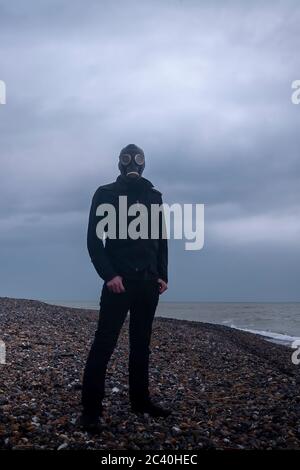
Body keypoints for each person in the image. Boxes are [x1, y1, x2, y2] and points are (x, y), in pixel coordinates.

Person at [79, 144, 171, 432]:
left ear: (144, 164)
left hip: (147, 283)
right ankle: (91, 410)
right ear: (119, 163)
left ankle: (140, 400)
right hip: (118, 283)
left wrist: (162, 274)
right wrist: (109, 275)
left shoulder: (154, 196)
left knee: (141, 344)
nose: (133, 163)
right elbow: (94, 241)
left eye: (138, 158)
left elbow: (161, 239)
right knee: (104, 344)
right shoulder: (105, 193)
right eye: (127, 159)